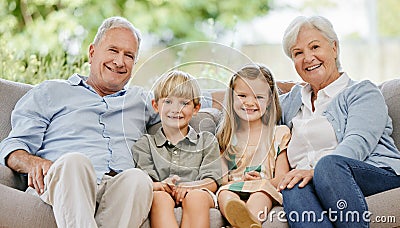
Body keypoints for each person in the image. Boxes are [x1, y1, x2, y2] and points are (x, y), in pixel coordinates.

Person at [0, 16, 160, 228]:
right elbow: (13, 147)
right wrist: (35, 163)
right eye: (113, 50)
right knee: (75, 162)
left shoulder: (141, 100)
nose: (120, 61)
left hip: (116, 189)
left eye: (128, 55)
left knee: (138, 179)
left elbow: (191, 102)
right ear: (92, 52)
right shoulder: (51, 92)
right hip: (66, 180)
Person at [278, 16, 400, 227]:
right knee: (291, 185)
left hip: (374, 174)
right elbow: (252, 99)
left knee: (327, 165)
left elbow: (357, 142)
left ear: (334, 48)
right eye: (298, 53)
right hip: (315, 180)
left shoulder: (362, 92)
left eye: (315, 46)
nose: (308, 58)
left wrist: (314, 170)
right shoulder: (292, 101)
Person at [132, 70, 222, 228]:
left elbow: (212, 181)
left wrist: (191, 187)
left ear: (196, 108)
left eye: (184, 103)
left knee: (195, 198)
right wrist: (162, 185)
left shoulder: (207, 141)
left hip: (198, 192)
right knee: (158, 198)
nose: (176, 109)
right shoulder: (145, 144)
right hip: (162, 192)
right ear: (155, 106)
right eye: (168, 101)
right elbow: (147, 182)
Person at [216, 64, 291, 228]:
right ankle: (239, 217)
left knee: (261, 192)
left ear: (270, 100)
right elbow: (222, 180)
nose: (250, 102)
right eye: (242, 95)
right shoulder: (226, 136)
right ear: (232, 97)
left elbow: (281, 178)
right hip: (234, 186)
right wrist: (241, 180)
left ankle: (248, 222)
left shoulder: (279, 134)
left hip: (264, 186)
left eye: (258, 97)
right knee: (224, 194)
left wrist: (265, 181)